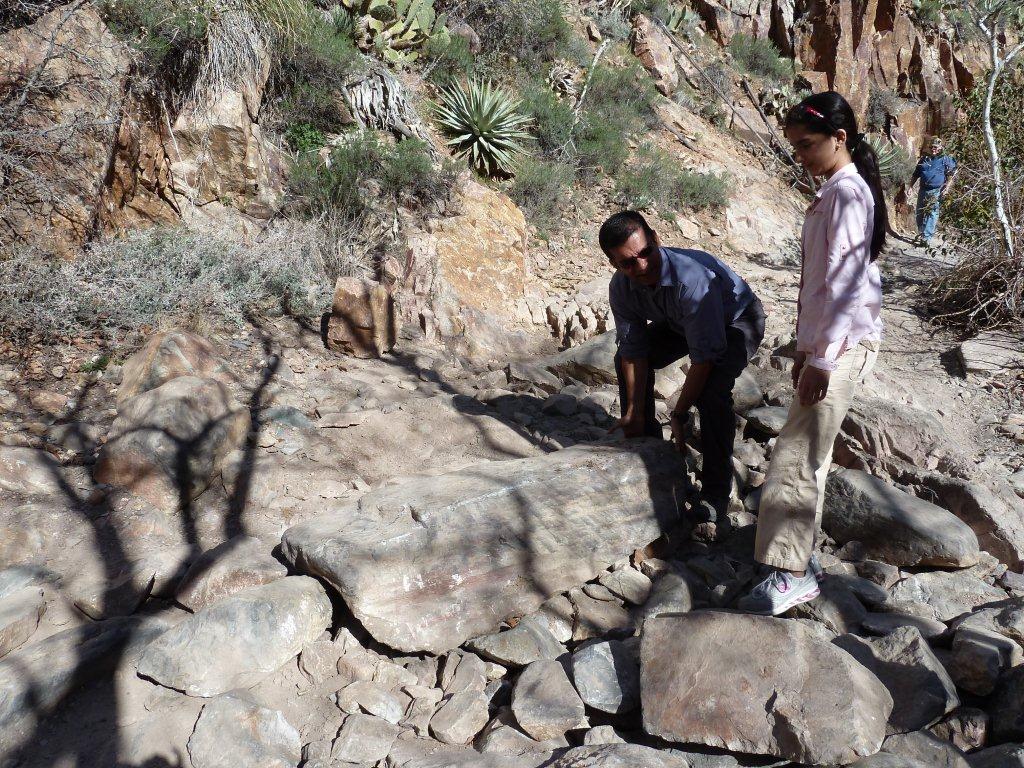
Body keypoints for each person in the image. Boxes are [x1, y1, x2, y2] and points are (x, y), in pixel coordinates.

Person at [738, 91, 885, 615]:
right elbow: (822, 284)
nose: (799, 155)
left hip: (841, 348)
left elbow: (843, 286)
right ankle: (799, 557)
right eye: (795, 146)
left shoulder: (847, 194)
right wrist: (806, 349)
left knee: (797, 458)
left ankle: (790, 573)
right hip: (832, 343)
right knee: (808, 457)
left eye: (806, 145)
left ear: (838, 138)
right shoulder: (837, 190)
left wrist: (822, 359)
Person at [601, 210, 766, 520]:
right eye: (628, 263)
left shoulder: (692, 279)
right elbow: (634, 350)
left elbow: (704, 360)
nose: (642, 266)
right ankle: (645, 445)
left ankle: (715, 494)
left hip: (736, 320)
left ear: (655, 239)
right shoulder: (621, 288)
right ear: (614, 265)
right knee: (625, 359)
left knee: (711, 393)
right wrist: (634, 410)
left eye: (646, 252)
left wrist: (679, 414)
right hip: (680, 322)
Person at [910, 137, 957, 246]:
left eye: (935, 147)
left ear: (940, 148)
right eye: (931, 147)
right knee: (919, 214)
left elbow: (952, 173)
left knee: (932, 213)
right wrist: (910, 187)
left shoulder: (945, 159)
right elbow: (915, 174)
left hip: (935, 191)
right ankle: (922, 233)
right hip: (923, 190)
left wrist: (947, 187)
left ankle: (926, 239)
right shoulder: (924, 159)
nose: (933, 149)